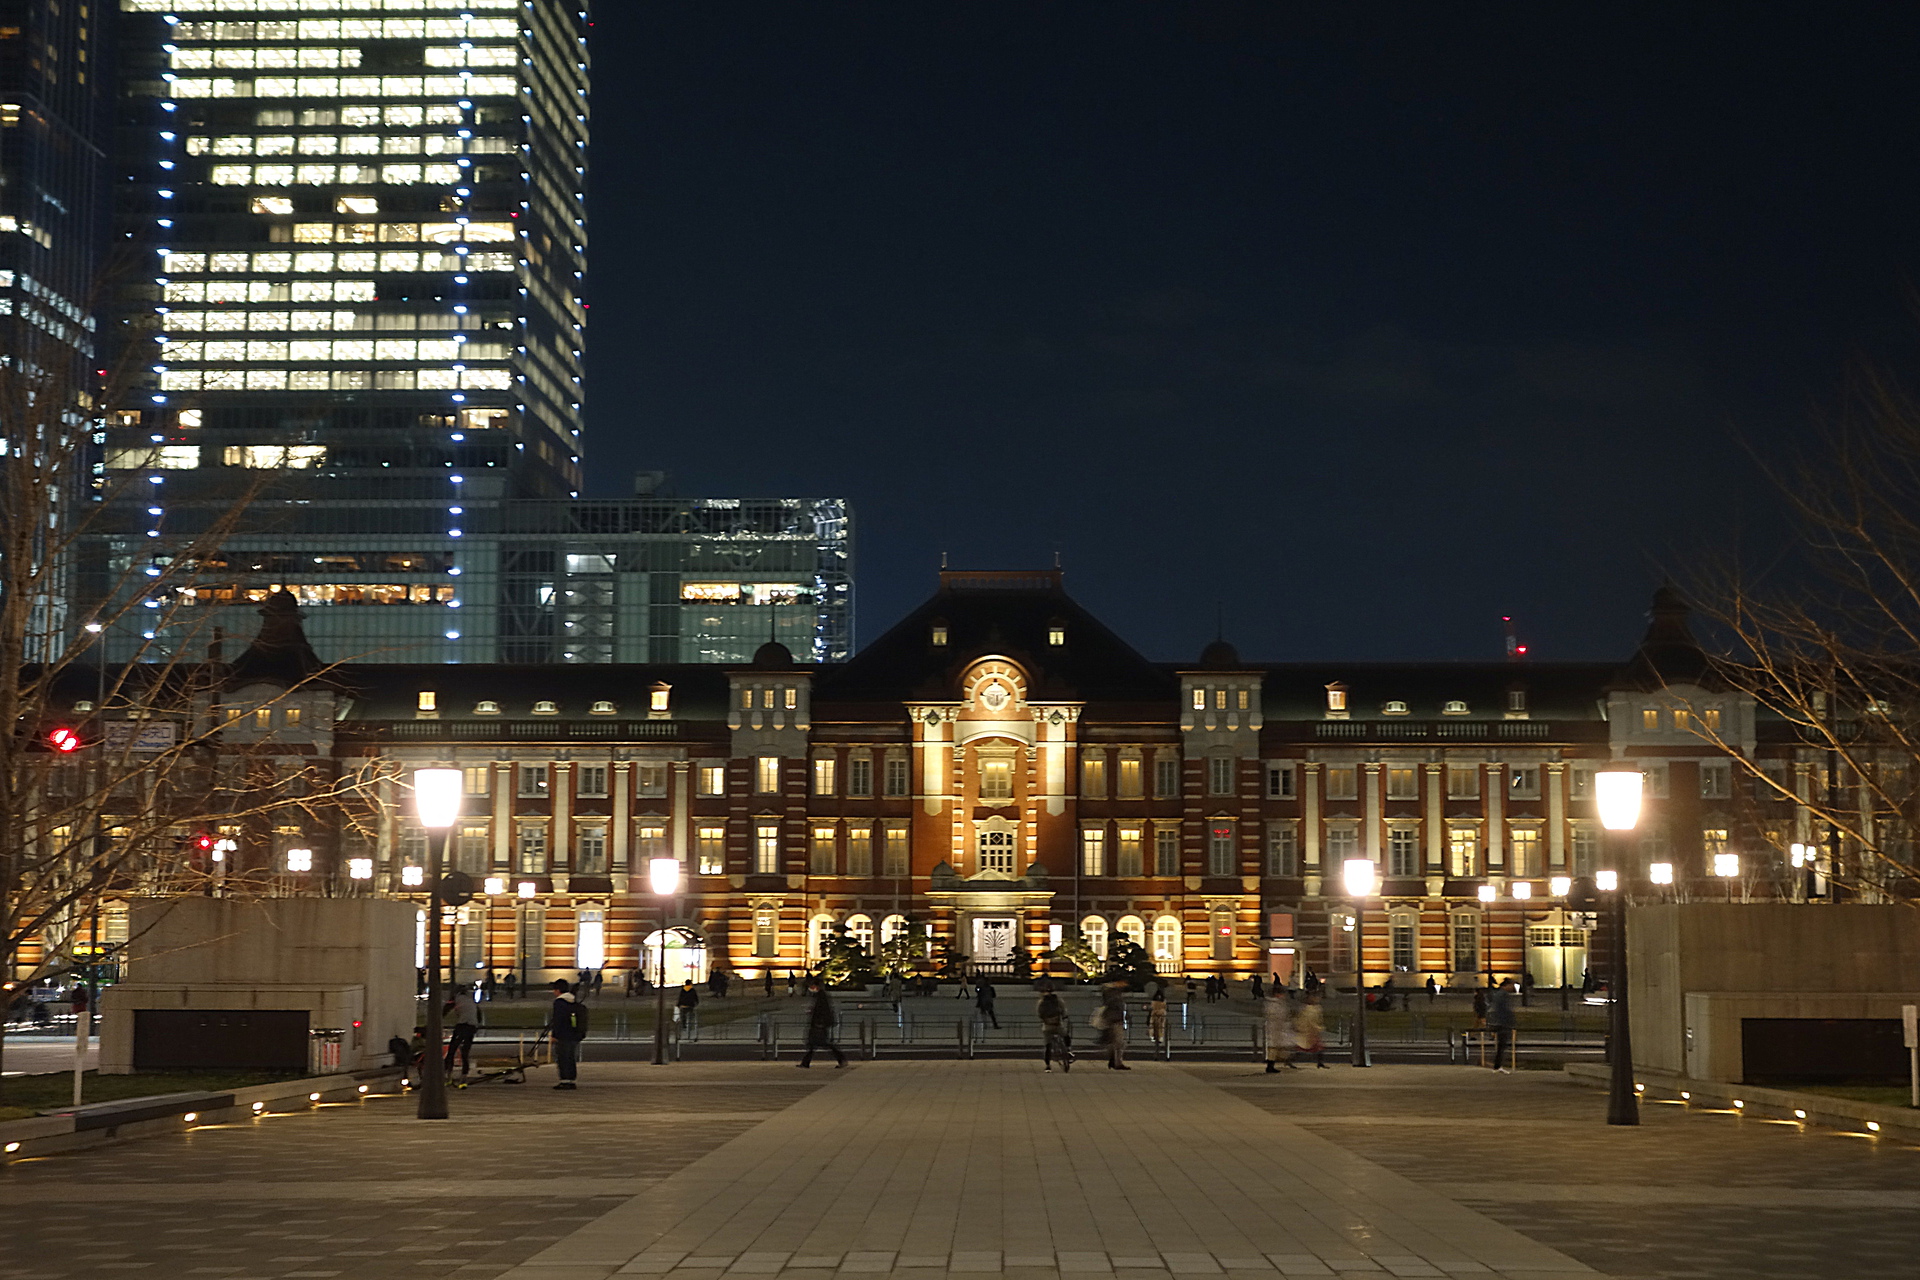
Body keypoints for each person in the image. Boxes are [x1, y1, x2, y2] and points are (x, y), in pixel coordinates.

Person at [547, 979, 589, 1090]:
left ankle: (564, 1080)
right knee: (570, 1057)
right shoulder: (572, 1001)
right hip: (574, 1034)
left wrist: (554, 1035)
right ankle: (571, 1080)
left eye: (554, 990)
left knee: (562, 1057)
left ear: (558, 990)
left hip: (563, 1035)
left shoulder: (559, 1002)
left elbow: (558, 1020)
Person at [797, 976, 846, 1068]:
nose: (810, 988)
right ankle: (805, 1062)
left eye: (811, 986)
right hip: (819, 1024)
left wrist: (819, 1022)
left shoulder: (821, 996)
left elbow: (822, 1010)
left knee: (821, 1044)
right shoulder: (820, 995)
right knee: (814, 1044)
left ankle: (841, 1059)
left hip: (819, 1024)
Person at [1037, 982, 1072, 1072]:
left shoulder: (1042, 1001)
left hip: (1047, 1026)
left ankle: (1048, 1066)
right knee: (1065, 1035)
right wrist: (1064, 1016)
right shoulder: (1057, 999)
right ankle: (1068, 1051)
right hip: (1057, 1024)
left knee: (1048, 1046)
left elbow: (1039, 1013)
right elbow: (1063, 1009)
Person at [444, 984, 479, 1077]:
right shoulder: (470, 999)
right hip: (472, 1025)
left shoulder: (456, 998)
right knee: (465, 1052)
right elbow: (478, 1013)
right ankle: (464, 1075)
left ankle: (448, 1072)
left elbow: (445, 1010)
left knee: (452, 1049)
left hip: (463, 1024)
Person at [1486, 977, 1519, 1072]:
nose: (1513, 987)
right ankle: (1497, 1066)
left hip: (1499, 1022)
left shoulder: (1499, 994)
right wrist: (1510, 1022)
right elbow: (1504, 1010)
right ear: (1507, 985)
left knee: (1501, 1045)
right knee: (1502, 1045)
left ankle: (1497, 1065)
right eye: (1511, 985)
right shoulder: (1503, 995)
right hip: (1502, 1023)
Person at [1095, 981, 1129, 1069]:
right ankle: (1117, 1062)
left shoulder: (1110, 996)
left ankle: (1113, 1060)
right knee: (1119, 1043)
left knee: (1114, 1042)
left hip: (1111, 1020)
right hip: (1115, 1021)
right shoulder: (1114, 997)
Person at [1263, 989, 1293, 1072]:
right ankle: (1270, 1066)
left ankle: (1274, 1064)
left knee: (1276, 1047)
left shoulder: (1279, 1004)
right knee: (1273, 1048)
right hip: (1275, 1028)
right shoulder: (1274, 1004)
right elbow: (1276, 1016)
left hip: (1278, 1028)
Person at [1294, 993, 1327, 1068]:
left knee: (1317, 1047)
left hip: (1312, 1031)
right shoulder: (1307, 1009)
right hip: (1309, 1031)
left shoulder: (1315, 1008)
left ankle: (1320, 1063)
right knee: (1306, 1048)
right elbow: (1308, 1020)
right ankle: (1290, 1060)